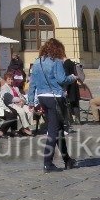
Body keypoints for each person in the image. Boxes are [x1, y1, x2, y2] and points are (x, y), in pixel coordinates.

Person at [27, 38, 79, 172]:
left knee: (59, 129)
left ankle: (67, 160)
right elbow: (62, 79)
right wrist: (73, 77)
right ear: (58, 49)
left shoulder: (37, 62)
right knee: (53, 132)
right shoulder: (56, 62)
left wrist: (31, 101)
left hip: (42, 98)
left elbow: (32, 83)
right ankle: (47, 163)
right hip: (55, 98)